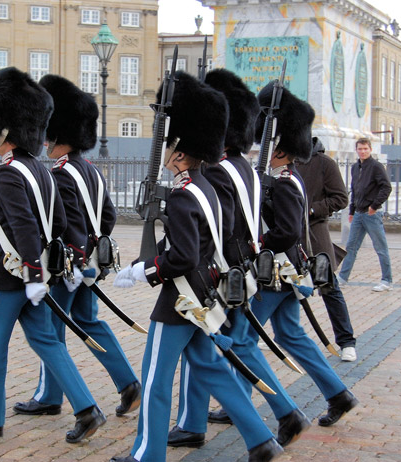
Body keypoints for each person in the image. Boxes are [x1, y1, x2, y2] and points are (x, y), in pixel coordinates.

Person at [110, 71, 283, 462]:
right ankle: (260, 440)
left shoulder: (185, 195)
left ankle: (147, 454)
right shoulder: (205, 188)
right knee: (211, 368)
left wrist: (146, 270)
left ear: (181, 152)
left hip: (179, 298)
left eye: (171, 145)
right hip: (205, 294)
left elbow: (183, 256)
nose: (167, 152)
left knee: (155, 379)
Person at [0, 67, 105, 444]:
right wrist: (52, 269)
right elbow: (62, 222)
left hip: (10, 276)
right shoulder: (42, 169)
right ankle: (86, 408)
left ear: (4, 132)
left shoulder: (8, 173)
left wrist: (34, 273)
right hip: (37, 278)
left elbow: (21, 228)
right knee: (48, 343)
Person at [167, 68, 313, 449]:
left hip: (220, 270)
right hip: (241, 267)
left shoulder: (217, 171)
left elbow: (218, 227)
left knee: (223, 346)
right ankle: (196, 421)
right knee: (218, 347)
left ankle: (282, 413)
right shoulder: (244, 167)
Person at [208, 82, 359, 437]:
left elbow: (288, 232)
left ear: (282, 149)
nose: (264, 148)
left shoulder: (287, 182)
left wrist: (259, 243)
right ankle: (338, 394)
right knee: (292, 336)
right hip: (284, 273)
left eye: (270, 144)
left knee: (243, 339)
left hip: (275, 273)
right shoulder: (281, 178)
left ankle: (284, 411)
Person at [12, 74, 141, 418]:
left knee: (53, 329)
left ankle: (49, 396)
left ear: (57, 136)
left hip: (70, 265)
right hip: (91, 262)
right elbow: (109, 216)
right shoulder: (91, 171)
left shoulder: (61, 173)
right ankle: (128, 383)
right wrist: (93, 248)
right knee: (89, 320)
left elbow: (69, 224)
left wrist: (74, 258)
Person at [296, 137, 357, 362]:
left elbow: (340, 198)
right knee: (277, 289)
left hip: (314, 236)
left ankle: (346, 341)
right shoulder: (284, 162)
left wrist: (312, 210)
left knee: (330, 290)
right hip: (288, 236)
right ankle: (257, 335)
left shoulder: (324, 163)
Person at [338, 138, 393, 292]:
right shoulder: (355, 167)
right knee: (351, 247)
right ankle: (342, 278)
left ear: (370, 149)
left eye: (365, 149)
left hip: (371, 214)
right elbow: (355, 189)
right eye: (360, 149)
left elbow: (386, 187)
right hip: (358, 214)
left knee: (380, 248)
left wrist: (374, 206)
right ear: (357, 150)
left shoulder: (376, 167)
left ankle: (387, 280)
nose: (362, 151)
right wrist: (351, 210)